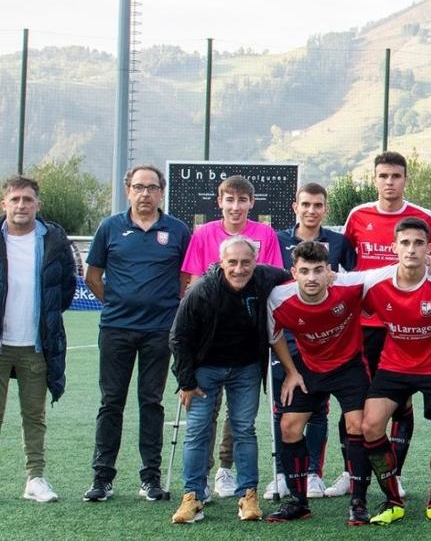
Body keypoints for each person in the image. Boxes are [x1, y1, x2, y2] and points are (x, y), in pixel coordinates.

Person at [83, 165, 190, 502]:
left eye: (152, 187)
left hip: (159, 331)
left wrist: (165, 308)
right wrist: (117, 303)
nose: (145, 194)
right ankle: (102, 478)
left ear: (162, 192)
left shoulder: (177, 230)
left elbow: (185, 279)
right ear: (128, 190)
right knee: (111, 402)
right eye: (139, 187)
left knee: (151, 402)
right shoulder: (110, 227)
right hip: (116, 329)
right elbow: (92, 276)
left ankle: (150, 478)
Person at [354, 217, 431, 527]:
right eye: (405, 242)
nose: (411, 249)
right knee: (370, 425)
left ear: (429, 248)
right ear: (394, 247)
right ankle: (393, 501)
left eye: (419, 243)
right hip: (395, 365)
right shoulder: (373, 281)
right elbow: (340, 286)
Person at [169, 236, 290, 524]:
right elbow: (179, 337)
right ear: (221, 262)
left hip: (246, 368)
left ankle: (248, 495)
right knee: (197, 430)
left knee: (244, 429)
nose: (239, 269)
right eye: (232, 262)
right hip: (205, 369)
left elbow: (293, 275)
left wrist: (328, 275)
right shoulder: (201, 290)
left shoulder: (264, 277)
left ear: (255, 263)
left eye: (246, 262)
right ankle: (192, 496)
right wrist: (186, 382)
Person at [343, 151, 431, 495]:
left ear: (405, 179)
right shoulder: (358, 216)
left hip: (407, 324)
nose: (389, 182)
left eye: (396, 176)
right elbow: (348, 266)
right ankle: (351, 472)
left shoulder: (424, 217)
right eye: (383, 176)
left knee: (402, 401)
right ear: (374, 179)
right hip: (366, 324)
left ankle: (393, 471)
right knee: (359, 399)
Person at [180, 174, 284, 499]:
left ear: (251, 203)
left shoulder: (265, 234)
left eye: (242, 200)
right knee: (203, 418)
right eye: (230, 199)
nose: (235, 206)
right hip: (209, 346)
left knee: (241, 420)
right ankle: (198, 486)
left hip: (247, 344)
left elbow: (275, 281)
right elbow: (192, 283)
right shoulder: (203, 234)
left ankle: (227, 470)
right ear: (219, 202)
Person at [265, 241, 372, 525]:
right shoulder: (278, 297)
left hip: (349, 365)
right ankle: (298, 502)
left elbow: (391, 273)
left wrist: (430, 262)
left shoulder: (349, 286)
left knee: (357, 426)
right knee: (289, 426)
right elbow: (275, 336)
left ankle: (358, 501)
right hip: (309, 366)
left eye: (317, 270)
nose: (311, 277)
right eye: (304, 271)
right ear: (294, 273)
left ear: (329, 271)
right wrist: (291, 372)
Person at [268, 182, 357, 500]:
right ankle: (282, 474)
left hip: (324, 341)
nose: (311, 210)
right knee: (284, 409)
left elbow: (352, 281)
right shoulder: (276, 239)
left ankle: (314, 474)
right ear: (295, 207)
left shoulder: (339, 242)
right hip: (287, 339)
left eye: (318, 205)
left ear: (325, 209)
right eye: (305, 204)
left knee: (318, 410)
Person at [0, 175, 76, 504]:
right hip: (1, 345)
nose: (21, 205)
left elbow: (66, 288)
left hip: (36, 345)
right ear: (4, 204)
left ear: (37, 205)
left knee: (34, 416)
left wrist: (46, 320)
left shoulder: (53, 240)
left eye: (27, 199)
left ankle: (35, 478)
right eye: (15, 199)